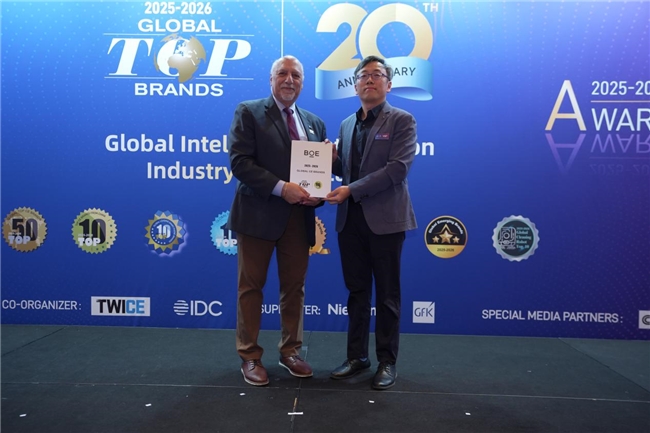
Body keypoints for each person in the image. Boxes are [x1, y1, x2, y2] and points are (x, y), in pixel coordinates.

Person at [226, 55, 328, 386]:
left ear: (303, 82)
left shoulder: (314, 123)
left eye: (295, 75)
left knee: (294, 289)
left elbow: (316, 176)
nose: (289, 79)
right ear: (271, 79)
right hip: (257, 216)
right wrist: (283, 188)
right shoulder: (249, 111)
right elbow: (240, 162)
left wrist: (318, 192)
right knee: (251, 287)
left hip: (298, 220)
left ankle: (290, 352)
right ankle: (250, 356)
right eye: (282, 73)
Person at [325, 55, 417, 390]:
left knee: (388, 295)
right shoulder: (346, 124)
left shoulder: (402, 120)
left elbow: (397, 170)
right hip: (350, 221)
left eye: (377, 75)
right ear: (355, 85)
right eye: (363, 75)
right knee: (357, 293)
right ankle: (357, 357)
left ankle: (387, 362)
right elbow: (347, 172)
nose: (369, 80)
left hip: (386, 220)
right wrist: (331, 162)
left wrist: (350, 189)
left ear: (388, 84)